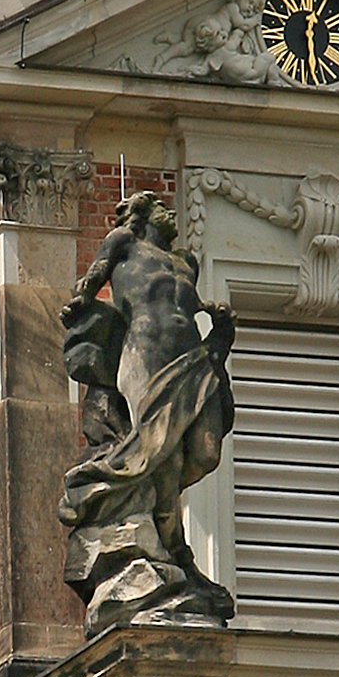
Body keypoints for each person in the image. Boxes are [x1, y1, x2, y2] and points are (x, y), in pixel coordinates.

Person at [59, 191, 236, 632]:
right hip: (143, 355)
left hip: (190, 357)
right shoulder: (124, 243)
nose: (171, 212)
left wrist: (220, 325)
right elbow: (92, 280)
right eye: (161, 207)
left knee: (206, 451)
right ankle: (169, 550)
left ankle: (170, 548)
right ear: (141, 213)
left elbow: (190, 308)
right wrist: (79, 305)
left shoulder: (185, 262)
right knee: (164, 458)